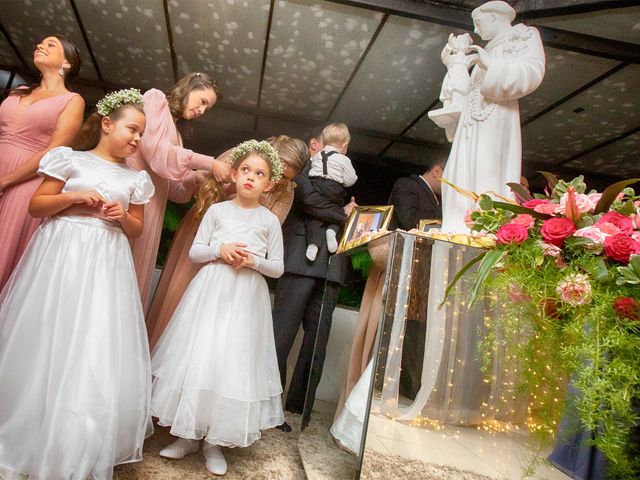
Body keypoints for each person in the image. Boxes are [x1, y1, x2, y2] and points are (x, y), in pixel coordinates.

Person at [0, 89, 154, 479]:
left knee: (91, 339)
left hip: (105, 260)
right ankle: (28, 420)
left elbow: (136, 228)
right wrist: (74, 197)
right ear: (106, 124)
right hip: (60, 255)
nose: (137, 139)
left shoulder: (135, 179)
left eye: (141, 134)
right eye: (132, 129)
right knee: (49, 333)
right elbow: (37, 205)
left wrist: (122, 216)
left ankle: (75, 432)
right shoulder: (68, 159)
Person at [150, 140, 285, 476]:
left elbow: (278, 267)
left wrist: (253, 260)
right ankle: (187, 436)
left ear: (268, 184)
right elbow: (196, 252)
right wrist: (220, 249)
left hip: (245, 299)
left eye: (259, 174)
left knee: (231, 362)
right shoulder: (217, 211)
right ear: (235, 175)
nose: (251, 177)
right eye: (246, 171)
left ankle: (214, 442)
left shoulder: (269, 221)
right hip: (210, 293)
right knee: (201, 357)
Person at [145, 135, 308, 350]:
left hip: (241, 257)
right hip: (206, 233)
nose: (280, 182)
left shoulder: (285, 192)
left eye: (286, 178)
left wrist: (248, 251)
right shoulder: (243, 160)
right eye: (280, 173)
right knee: (183, 298)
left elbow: (270, 231)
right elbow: (209, 182)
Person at [272, 126, 356, 428]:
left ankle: (298, 407)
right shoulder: (302, 167)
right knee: (280, 337)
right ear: (315, 144)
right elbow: (312, 204)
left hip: (332, 266)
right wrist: (346, 214)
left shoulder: (344, 174)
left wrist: (348, 214)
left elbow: (325, 209)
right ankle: (269, 407)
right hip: (298, 260)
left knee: (317, 342)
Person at [125, 72, 230, 311]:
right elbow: (153, 150)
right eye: (202, 101)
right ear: (191, 86)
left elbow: (174, 191)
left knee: (133, 274)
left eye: (208, 108)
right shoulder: (156, 99)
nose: (202, 110)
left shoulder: (179, 135)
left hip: (153, 207)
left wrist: (195, 178)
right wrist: (208, 162)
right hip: (130, 194)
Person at [439, 0, 545, 233]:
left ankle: (484, 225)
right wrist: (454, 65)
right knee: (457, 176)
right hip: (471, 122)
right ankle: (459, 226)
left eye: (478, 23)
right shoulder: (484, 51)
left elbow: (532, 73)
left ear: (495, 16)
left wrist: (492, 66)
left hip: (495, 119)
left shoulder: (524, 36)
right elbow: (465, 93)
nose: (476, 31)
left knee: (488, 171)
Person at [0, 35, 85, 290]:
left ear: (67, 63)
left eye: (51, 45)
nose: (40, 45)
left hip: (25, 180)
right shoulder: (18, 92)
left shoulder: (73, 101)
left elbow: (55, 151)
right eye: (39, 42)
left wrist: (5, 180)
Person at [305, 122, 357, 261]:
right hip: (334, 189)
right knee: (336, 210)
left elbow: (311, 172)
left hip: (316, 185)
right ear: (345, 145)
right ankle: (331, 232)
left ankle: (312, 244)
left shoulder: (316, 156)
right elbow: (351, 179)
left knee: (314, 219)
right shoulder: (344, 159)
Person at [388, 158, 444, 231]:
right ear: (436, 171)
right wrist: (446, 213)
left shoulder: (439, 198)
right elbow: (410, 219)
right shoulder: (406, 185)